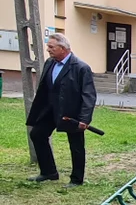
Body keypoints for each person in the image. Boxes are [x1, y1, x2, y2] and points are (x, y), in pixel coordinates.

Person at [26, 33, 97, 187]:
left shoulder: (81, 67)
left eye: (51, 47)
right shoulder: (50, 63)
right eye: (48, 46)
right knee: (37, 134)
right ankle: (49, 172)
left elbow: (88, 95)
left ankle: (76, 179)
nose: (48, 49)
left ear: (63, 48)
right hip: (50, 110)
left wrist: (84, 119)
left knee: (76, 145)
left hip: (71, 113)